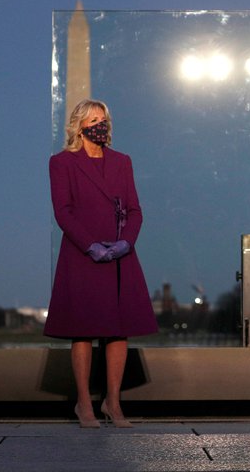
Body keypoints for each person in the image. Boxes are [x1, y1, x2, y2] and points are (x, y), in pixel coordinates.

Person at [44, 99, 158, 428]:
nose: (100, 124)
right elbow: (62, 211)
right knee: (82, 332)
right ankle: (84, 404)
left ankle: (113, 403)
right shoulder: (61, 163)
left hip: (120, 254)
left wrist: (126, 242)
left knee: (118, 331)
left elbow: (135, 209)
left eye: (104, 118)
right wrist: (90, 245)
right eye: (94, 119)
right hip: (83, 254)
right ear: (79, 126)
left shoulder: (122, 161)